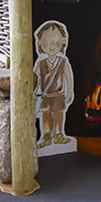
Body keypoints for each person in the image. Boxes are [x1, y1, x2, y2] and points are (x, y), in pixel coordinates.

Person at [33, 20, 74, 148]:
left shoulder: (63, 62)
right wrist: (34, 93)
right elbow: (35, 78)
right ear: (40, 42)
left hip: (58, 94)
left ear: (62, 41)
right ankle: (46, 135)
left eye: (55, 37)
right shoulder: (40, 64)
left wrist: (70, 92)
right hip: (46, 96)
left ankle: (58, 134)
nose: (51, 42)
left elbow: (69, 78)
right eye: (48, 38)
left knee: (58, 114)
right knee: (46, 115)